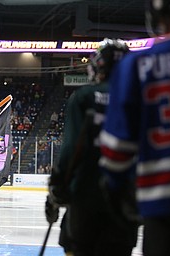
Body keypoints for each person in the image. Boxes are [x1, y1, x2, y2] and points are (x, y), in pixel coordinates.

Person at [99, 1, 170, 256]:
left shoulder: (137, 65)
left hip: (163, 208)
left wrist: (117, 190)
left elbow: (116, 152)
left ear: (156, 14)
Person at [45, 39, 138, 256]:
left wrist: (55, 191)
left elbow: (71, 149)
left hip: (86, 195)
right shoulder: (139, 98)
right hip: (125, 199)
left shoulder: (84, 97)